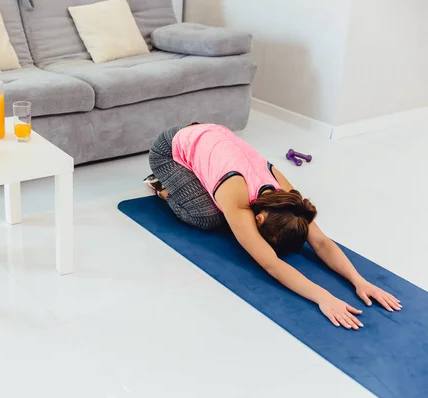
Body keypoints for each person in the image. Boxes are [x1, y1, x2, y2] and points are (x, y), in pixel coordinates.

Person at [145, 123, 401, 330]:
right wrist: (324, 297)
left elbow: (321, 242)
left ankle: (196, 180)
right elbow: (271, 264)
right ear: (259, 219)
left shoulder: (290, 200)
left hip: (211, 135)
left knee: (223, 212)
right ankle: (161, 187)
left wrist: (359, 281)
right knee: (210, 217)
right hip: (170, 149)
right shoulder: (236, 197)